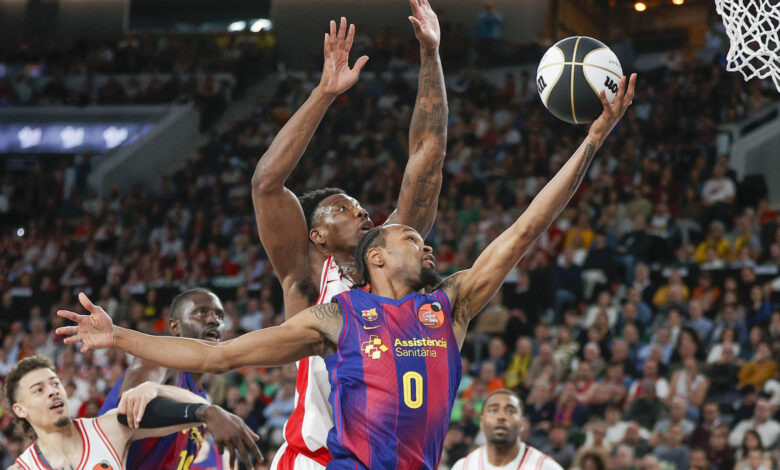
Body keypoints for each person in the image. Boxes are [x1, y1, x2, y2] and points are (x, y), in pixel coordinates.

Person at [57, 75, 637, 469]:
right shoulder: (328, 307)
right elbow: (219, 355)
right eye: (410, 237)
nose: (424, 243)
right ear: (373, 255)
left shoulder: (448, 304)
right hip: (317, 457)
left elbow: (520, 226)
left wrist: (591, 140)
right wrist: (119, 336)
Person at [250, 2, 448, 468]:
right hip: (313, 459)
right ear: (316, 234)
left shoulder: (392, 260)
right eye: (343, 208)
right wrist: (324, 93)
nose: (361, 211)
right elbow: (266, 184)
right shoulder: (306, 274)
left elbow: (428, 154)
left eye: (360, 206)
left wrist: (431, 57)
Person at [96, 287, 261, 470]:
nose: (214, 320)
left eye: (220, 316)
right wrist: (203, 412)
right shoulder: (159, 356)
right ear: (175, 327)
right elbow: (128, 410)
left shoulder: (200, 403)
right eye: (201, 313)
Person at [4, 355, 259, 470]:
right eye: (39, 390)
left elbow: (195, 411)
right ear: (20, 409)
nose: (52, 391)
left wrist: (206, 410)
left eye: (55, 383)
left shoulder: (107, 429)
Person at [451, 390, 563, 470]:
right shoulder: (463, 466)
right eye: (493, 410)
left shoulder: (545, 467)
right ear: (482, 422)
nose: (501, 416)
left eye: (510, 411)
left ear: (522, 423)